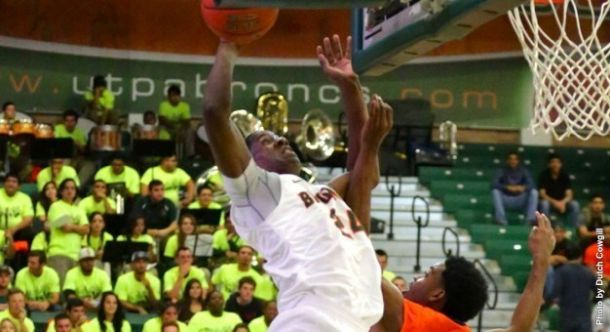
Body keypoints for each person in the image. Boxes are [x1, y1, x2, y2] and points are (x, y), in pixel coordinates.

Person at [203, 35, 390, 330]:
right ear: (251, 161)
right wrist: (229, 45)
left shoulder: (324, 193)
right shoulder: (257, 192)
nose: (280, 139)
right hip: (311, 320)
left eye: (279, 136)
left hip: (352, 322)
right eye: (266, 140)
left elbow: (364, 173)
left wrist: (350, 87)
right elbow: (214, 112)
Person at [373, 212, 556, 332]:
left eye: (426, 275)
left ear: (437, 294)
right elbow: (519, 328)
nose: (415, 277)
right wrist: (541, 260)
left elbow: (362, 264)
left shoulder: (418, 319)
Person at [544, 244, 596, 332]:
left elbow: (554, 292)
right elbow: (599, 291)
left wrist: (546, 303)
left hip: (566, 315)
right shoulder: (588, 273)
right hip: (584, 315)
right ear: (581, 257)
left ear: (566, 256)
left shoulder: (561, 272)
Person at [47, 179, 89, 284]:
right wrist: (78, 227)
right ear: (61, 191)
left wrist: (72, 226)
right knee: (61, 290)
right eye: (66, 188)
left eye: (72, 188)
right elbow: (64, 227)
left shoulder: (80, 210)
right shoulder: (55, 206)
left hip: (76, 255)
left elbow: (86, 229)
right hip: (58, 254)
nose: (70, 191)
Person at [492, 152, 538, 225]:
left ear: (518, 161)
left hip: (520, 198)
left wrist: (523, 187)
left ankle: (530, 220)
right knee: (495, 191)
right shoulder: (502, 170)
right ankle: (501, 220)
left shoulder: (524, 171)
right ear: (507, 161)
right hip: (506, 199)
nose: (513, 161)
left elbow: (532, 184)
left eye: (515, 159)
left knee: (534, 192)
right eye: (511, 159)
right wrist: (507, 187)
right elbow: (494, 184)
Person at [538, 153, 580, 227]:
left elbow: (569, 195)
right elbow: (542, 194)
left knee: (575, 204)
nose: (555, 164)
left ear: (561, 164)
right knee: (544, 204)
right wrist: (556, 203)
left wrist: (562, 203)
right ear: (549, 164)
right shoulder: (543, 175)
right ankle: (545, 227)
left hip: (563, 203)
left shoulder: (565, 175)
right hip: (550, 203)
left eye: (558, 162)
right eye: (553, 162)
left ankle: (574, 228)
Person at [158, 85, 194, 156]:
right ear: (168, 97)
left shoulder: (185, 105)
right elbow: (162, 120)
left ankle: (190, 155)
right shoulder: (163, 105)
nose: (175, 98)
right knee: (162, 130)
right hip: (168, 127)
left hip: (181, 128)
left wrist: (180, 129)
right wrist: (174, 128)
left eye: (177, 95)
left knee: (190, 131)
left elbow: (186, 120)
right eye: (173, 95)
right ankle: (164, 155)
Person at [0, 174, 34, 245]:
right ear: (3, 184)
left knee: (28, 232)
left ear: (19, 186)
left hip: (18, 232)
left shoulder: (25, 198)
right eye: (8, 181)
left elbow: (28, 219)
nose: (11, 184)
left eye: (14, 182)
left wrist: (13, 229)